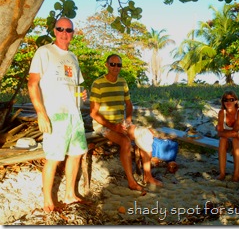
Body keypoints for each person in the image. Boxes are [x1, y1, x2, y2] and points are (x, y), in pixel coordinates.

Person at [28, 17, 89, 212]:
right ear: (54, 31)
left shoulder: (73, 57)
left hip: (74, 115)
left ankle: (70, 194)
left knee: (76, 154)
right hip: (55, 114)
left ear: (73, 33)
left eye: (68, 30)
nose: (64, 33)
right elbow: (32, 84)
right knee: (54, 157)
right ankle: (47, 201)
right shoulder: (44, 52)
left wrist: (82, 94)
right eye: (60, 29)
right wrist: (41, 113)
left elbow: (76, 87)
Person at [89, 54, 162, 191]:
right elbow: (93, 113)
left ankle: (148, 176)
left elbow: (129, 105)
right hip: (102, 126)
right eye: (112, 64)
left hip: (119, 123)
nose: (116, 67)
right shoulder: (98, 84)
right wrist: (113, 127)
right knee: (126, 142)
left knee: (145, 134)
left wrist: (127, 120)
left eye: (119, 65)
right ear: (106, 65)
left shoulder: (122, 82)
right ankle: (131, 181)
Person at [215, 90, 239, 182]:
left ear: (236, 101)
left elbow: (235, 130)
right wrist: (235, 134)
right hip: (230, 140)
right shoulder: (222, 113)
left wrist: (223, 130)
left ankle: (236, 173)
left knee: (235, 140)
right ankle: (222, 173)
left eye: (231, 99)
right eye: (226, 100)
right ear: (223, 102)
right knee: (222, 139)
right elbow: (220, 134)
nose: (228, 102)